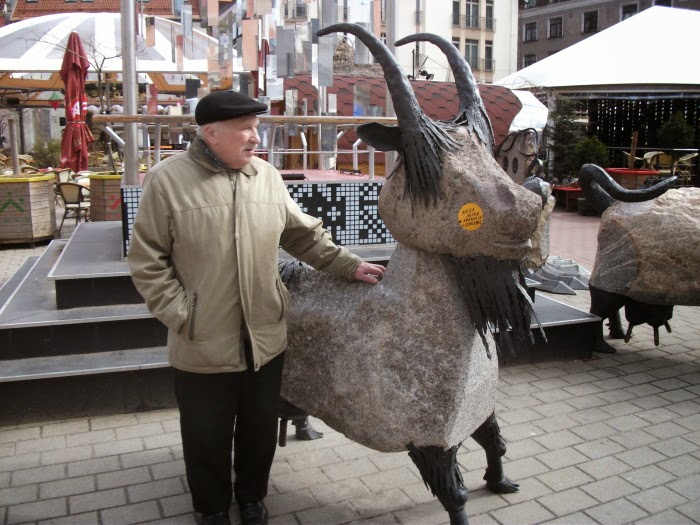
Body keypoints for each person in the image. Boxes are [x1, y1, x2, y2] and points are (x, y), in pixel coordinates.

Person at [128, 90, 385, 525]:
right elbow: (146, 260)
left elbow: (302, 235)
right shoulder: (167, 180)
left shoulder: (266, 176)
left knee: (259, 428)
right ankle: (211, 507)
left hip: (265, 334)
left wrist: (348, 264)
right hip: (202, 337)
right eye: (245, 128)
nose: (255, 137)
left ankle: (252, 498)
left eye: (256, 127)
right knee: (205, 434)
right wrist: (182, 314)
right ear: (211, 133)